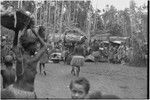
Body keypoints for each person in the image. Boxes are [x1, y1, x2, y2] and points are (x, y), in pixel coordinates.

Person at [1, 25, 47, 99]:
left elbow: (14, 46)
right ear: (30, 46)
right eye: (35, 45)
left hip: (15, 90)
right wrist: (35, 32)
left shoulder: (20, 55)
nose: (36, 47)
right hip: (26, 94)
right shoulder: (34, 59)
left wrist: (16, 31)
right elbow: (44, 46)